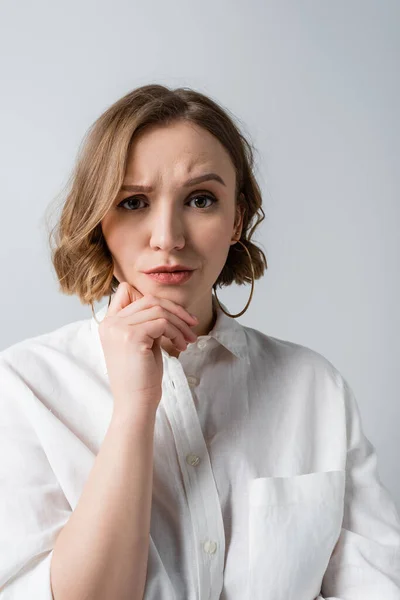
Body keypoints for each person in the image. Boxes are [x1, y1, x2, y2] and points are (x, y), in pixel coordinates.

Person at [0, 84, 399, 600]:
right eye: (134, 202)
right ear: (100, 220)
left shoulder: (314, 387)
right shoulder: (25, 387)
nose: (168, 236)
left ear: (236, 220)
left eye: (201, 199)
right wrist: (133, 410)